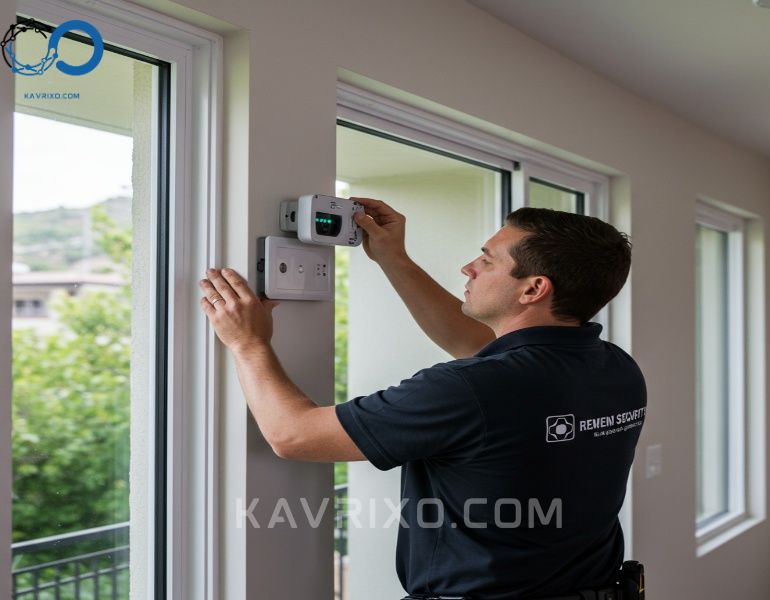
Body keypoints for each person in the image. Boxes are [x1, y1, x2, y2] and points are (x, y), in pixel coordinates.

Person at [198, 198, 647, 600]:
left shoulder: (474, 388)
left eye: (487, 261)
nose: (468, 268)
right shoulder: (615, 369)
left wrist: (248, 343)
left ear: (532, 289)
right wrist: (394, 259)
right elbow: (473, 342)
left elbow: (293, 435)